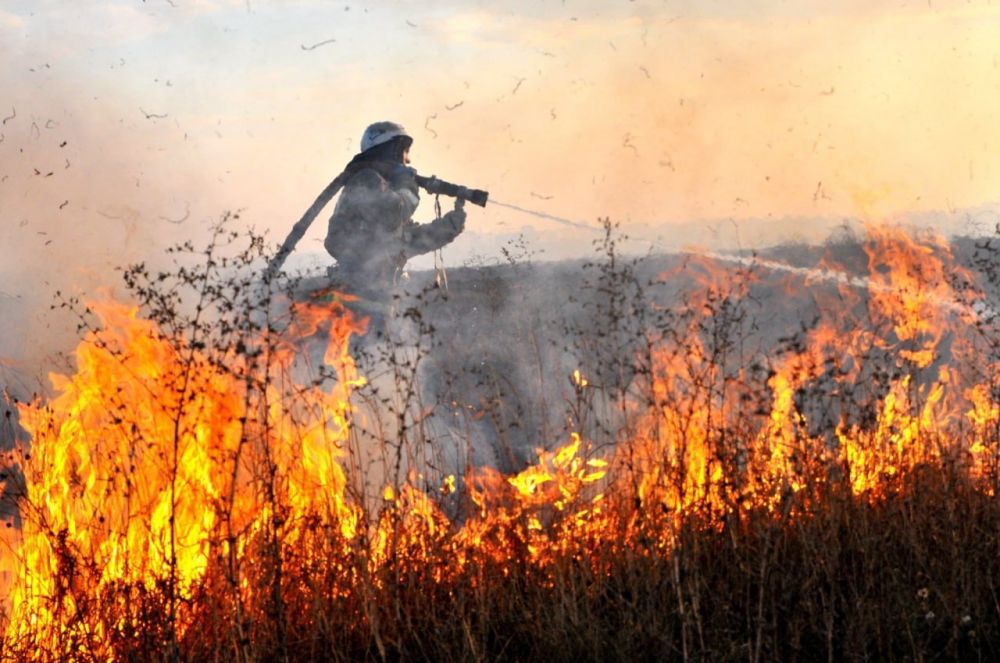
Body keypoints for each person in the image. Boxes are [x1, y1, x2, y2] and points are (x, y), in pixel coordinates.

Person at [324, 121, 467, 303]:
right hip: (359, 296)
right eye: (403, 152)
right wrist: (407, 183)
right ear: (387, 150)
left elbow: (409, 241)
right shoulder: (366, 180)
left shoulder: (381, 190)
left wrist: (449, 226)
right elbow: (395, 213)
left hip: (380, 293)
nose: (407, 160)